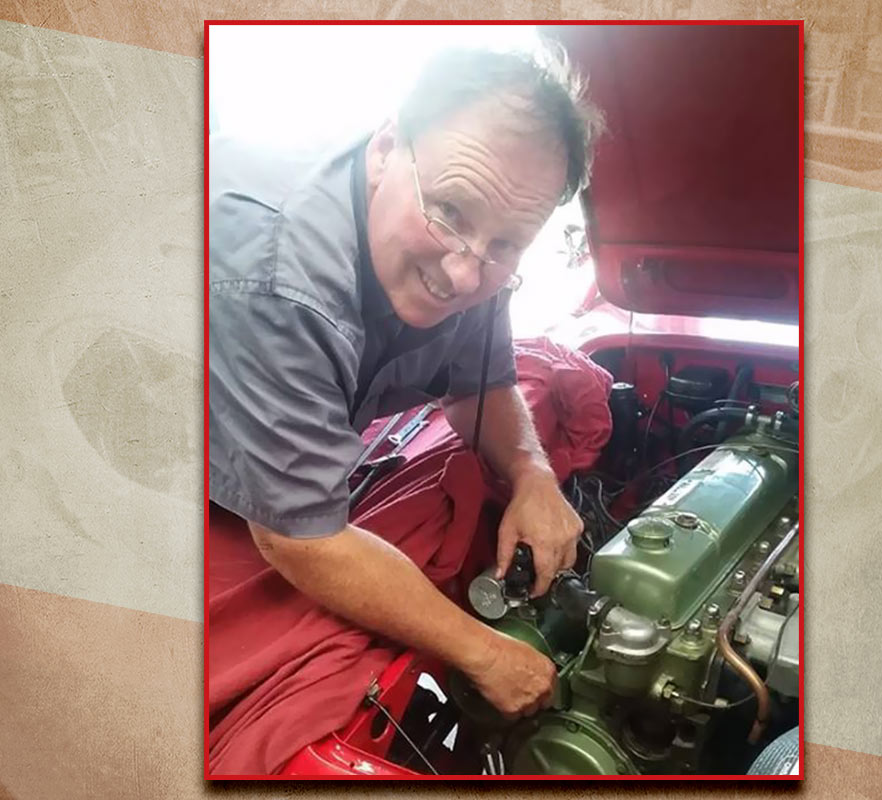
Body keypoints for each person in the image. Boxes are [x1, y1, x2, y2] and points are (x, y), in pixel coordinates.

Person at [208, 45, 604, 719]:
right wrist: (483, 653)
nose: (464, 275)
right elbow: (300, 540)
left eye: (506, 246)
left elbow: (479, 387)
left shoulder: (479, 249)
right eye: (449, 211)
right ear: (387, 146)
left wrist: (533, 473)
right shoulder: (280, 276)